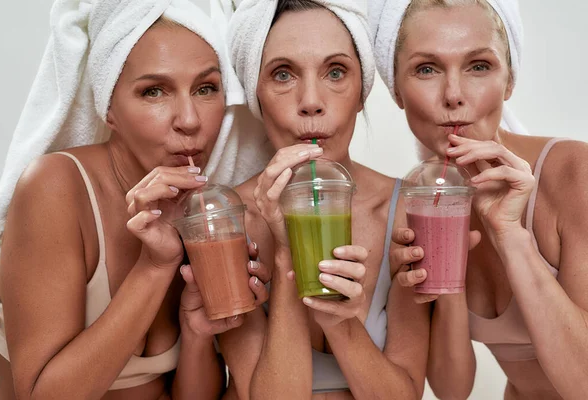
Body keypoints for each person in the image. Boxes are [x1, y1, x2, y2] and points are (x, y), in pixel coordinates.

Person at [0, 1, 272, 399]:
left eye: (206, 88)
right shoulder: (56, 189)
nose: (189, 119)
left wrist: (195, 332)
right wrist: (155, 267)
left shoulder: (202, 207)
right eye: (154, 91)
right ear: (108, 107)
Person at [369, 0, 588, 398]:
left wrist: (509, 235)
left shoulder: (574, 173)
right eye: (426, 69)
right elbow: (452, 389)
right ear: (396, 89)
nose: (453, 95)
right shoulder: (417, 203)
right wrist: (446, 283)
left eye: (478, 66)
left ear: (509, 80)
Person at [220, 0, 431, 399]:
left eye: (335, 72)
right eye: (283, 74)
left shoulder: (404, 209)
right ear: (256, 95)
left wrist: (340, 322)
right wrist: (285, 251)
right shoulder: (229, 221)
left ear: (362, 92)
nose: (311, 100)